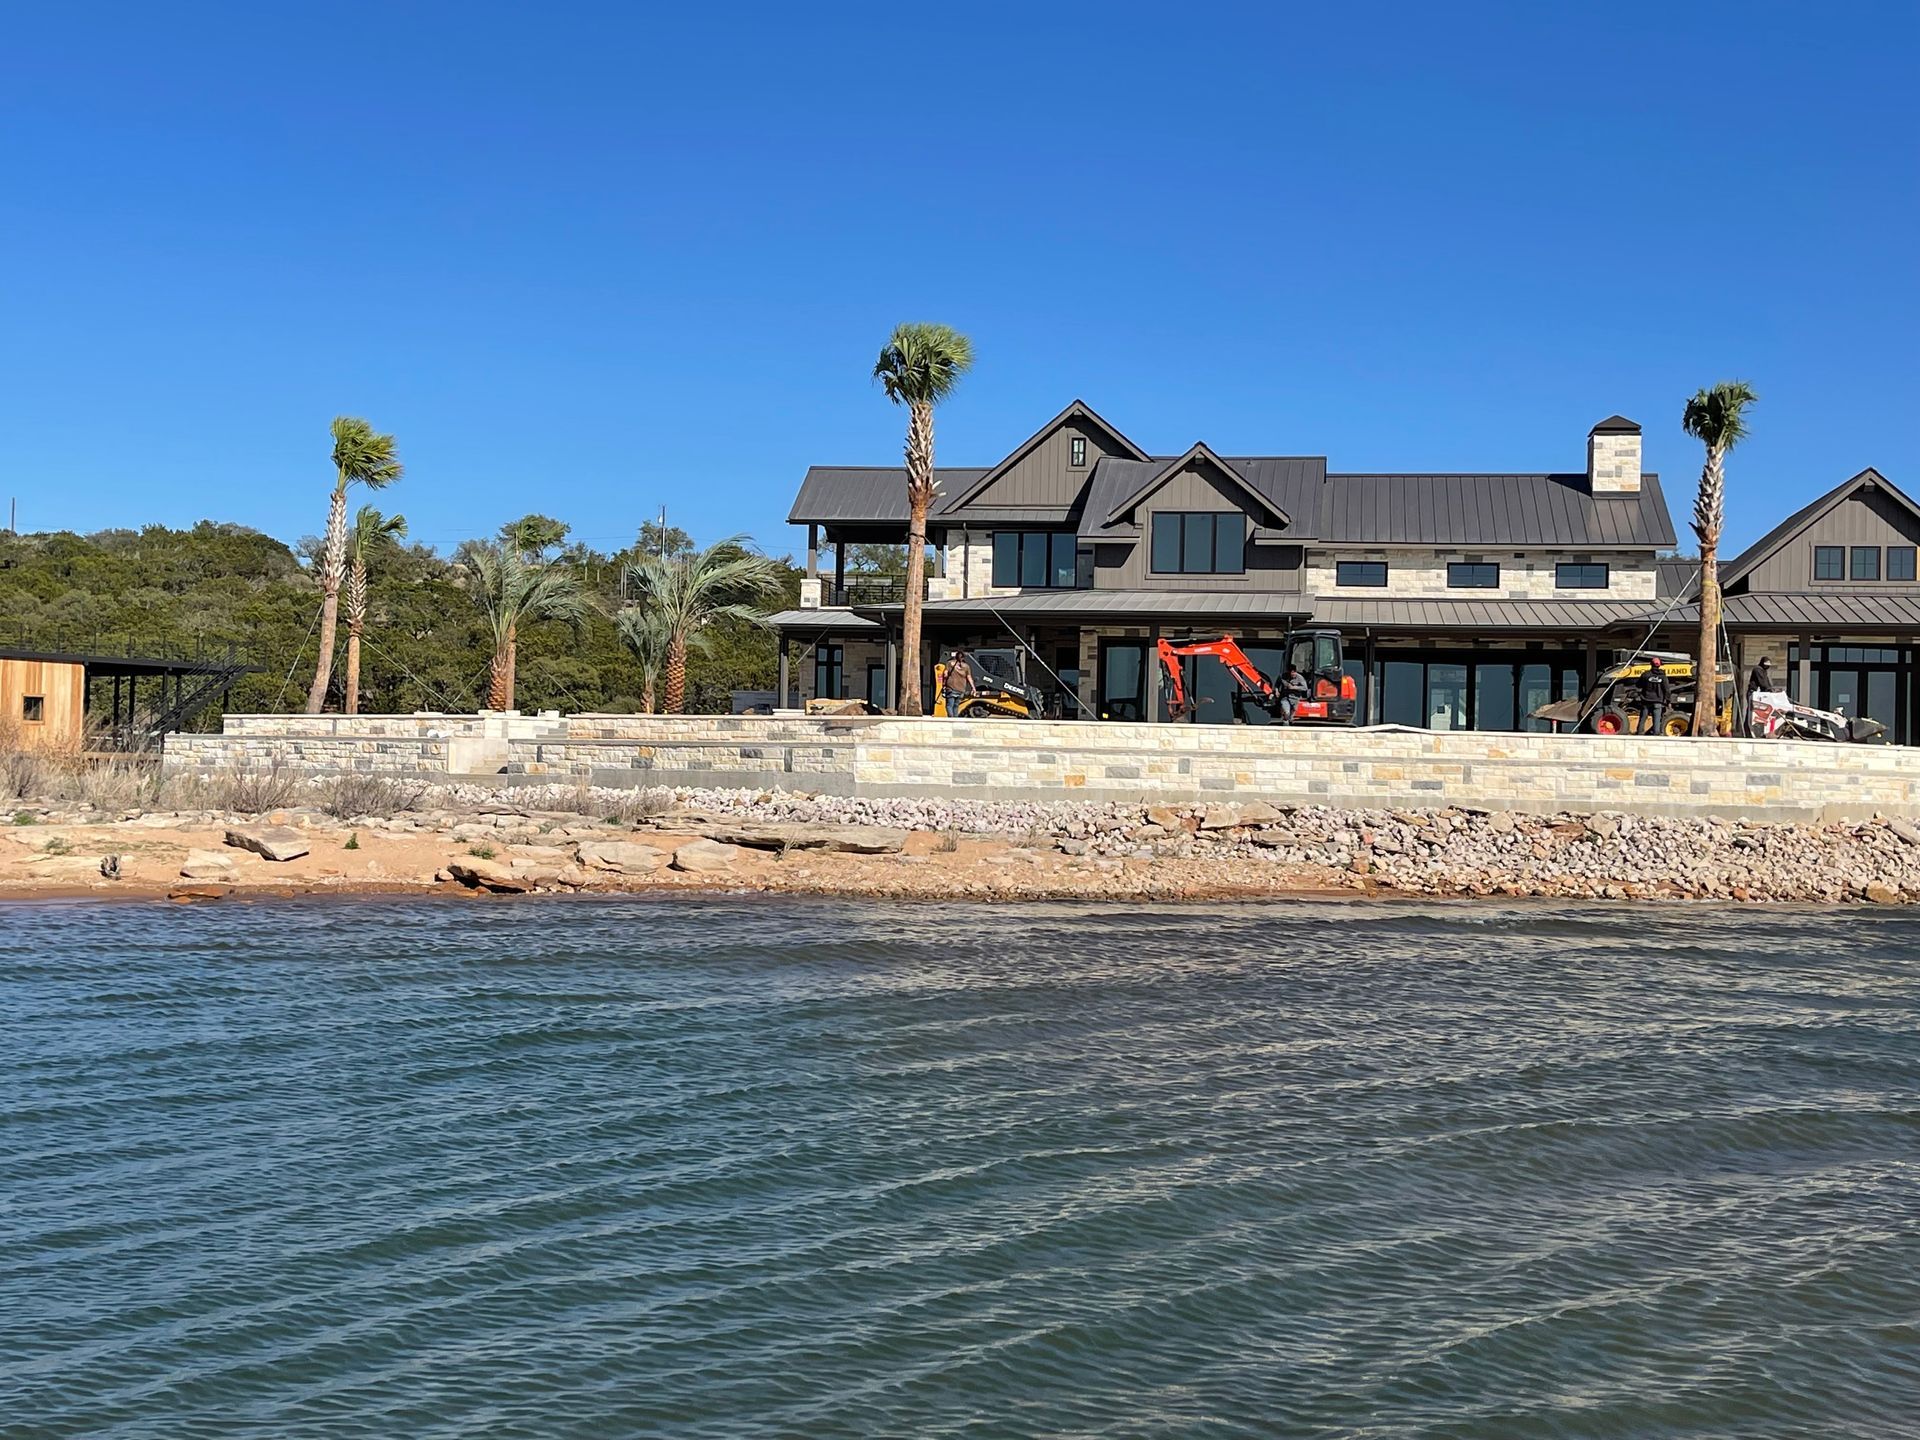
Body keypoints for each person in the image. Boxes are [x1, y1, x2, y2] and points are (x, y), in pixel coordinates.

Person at [1639, 655, 1671, 735]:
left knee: (1643, 718)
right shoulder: (1663, 677)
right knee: (1656, 719)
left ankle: (1639, 732)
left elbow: (1638, 685)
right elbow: (1667, 689)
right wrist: (1668, 701)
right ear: (1659, 665)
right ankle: (1656, 734)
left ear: (1651, 664)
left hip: (1646, 700)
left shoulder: (1645, 675)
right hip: (1657, 701)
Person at [941, 650, 975, 717]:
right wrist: (973, 687)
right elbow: (969, 677)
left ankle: (951, 719)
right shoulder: (966, 666)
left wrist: (944, 682)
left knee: (949, 705)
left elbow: (945, 674)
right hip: (961, 688)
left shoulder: (949, 663)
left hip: (951, 687)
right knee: (956, 706)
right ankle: (955, 718)